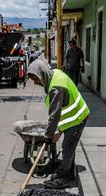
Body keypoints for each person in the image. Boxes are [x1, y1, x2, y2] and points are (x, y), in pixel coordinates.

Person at [27, 60, 89, 189]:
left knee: (67, 146)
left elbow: (54, 115)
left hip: (77, 118)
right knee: (68, 146)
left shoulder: (56, 88)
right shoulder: (54, 74)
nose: (36, 83)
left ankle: (63, 178)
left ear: (42, 73)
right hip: (72, 118)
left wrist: (48, 136)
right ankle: (68, 171)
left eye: (36, 79)